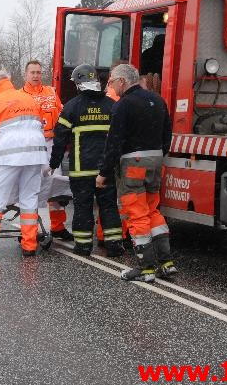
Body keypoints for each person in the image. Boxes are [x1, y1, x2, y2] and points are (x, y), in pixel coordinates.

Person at [96, 63, 177, 282]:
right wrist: (158, 155)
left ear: (122, 81)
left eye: (112, 81)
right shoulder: (158, 101)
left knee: (137, 214)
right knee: (153, 211)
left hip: (133, 163)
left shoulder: (123, 105)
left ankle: (146, 268)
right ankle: (166, 262)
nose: (110, 85)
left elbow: (114, 142)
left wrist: (104, 172)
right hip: (156, 161)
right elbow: (167, 134)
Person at [0, 70, 48, 257]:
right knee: (29, 200)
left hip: (9, 157)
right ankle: (29, 245)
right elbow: (39, 127)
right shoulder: (29, 99)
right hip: (35, 155)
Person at [50, 64, 124, 257]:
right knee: (108, 206)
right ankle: (115, 244)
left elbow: (60, 138)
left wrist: (53, 163)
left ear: (79, 84)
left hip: (81, 170)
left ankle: (83, 246)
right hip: (105, 170)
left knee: (82, 207)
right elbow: (119, 138)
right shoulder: (112, 106)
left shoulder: (72, 107)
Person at [20, 59, 73, 241]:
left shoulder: (51, 92)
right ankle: (30, 230)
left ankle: (58, 227)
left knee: (55, 184)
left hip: (51, 143)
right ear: (25, 74)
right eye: (32, 72)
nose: (36, 75)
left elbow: (61, 113)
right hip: (31, 146)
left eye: (38, 72)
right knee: (32, 187)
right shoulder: (20, 95)